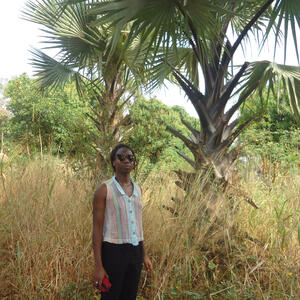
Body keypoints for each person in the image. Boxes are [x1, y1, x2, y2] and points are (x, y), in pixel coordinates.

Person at [92, 144, 152, 300]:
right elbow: (97, 229)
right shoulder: (104, 189)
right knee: (111, 296)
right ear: (113, 162)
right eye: (121, 157)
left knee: (130, 295)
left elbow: (138, 225)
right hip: (113, 251)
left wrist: (144, 255)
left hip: (135, 250)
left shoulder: (138, 189)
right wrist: (99, 266)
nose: (127, 160)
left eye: (131, 158)